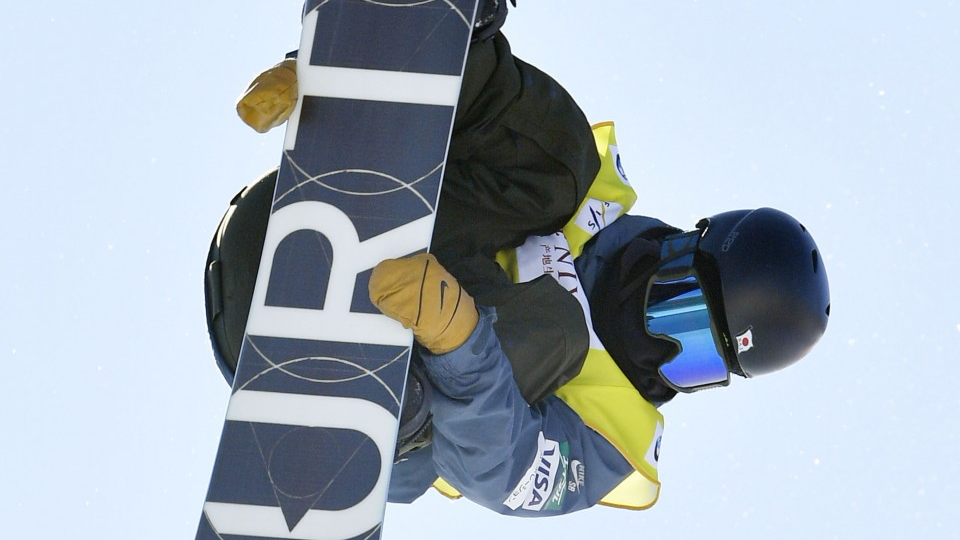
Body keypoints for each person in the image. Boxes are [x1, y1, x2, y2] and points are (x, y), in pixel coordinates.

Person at [204, 1, 830, 516]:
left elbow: (504, 473)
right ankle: (402, 57)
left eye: (695, 361)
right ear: (678, 251)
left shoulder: (620, 434)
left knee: (556, 333)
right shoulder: (592, 195)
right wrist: (341, 71)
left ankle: (384, 390)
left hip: (394, 395)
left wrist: (460, 343)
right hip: (297, 227)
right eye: (680, 313)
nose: (663, 350)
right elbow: (516, 122)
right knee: (561, 164)